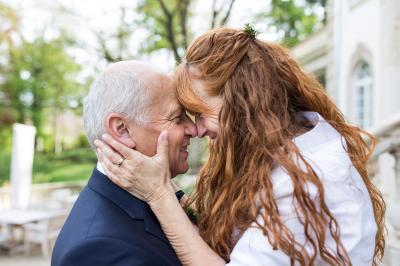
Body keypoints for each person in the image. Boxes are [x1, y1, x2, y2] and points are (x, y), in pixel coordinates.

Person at [95, 28, 385, 266]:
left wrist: (159, 196)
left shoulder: (310, 180)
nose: (195, 129)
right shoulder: (269, 150)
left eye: (200, 112)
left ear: (244, 103)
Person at [51, 60, 197, 266]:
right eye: (177, 117)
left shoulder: (154, 197)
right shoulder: (98, 250)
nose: (193, 129)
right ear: (122, 129)